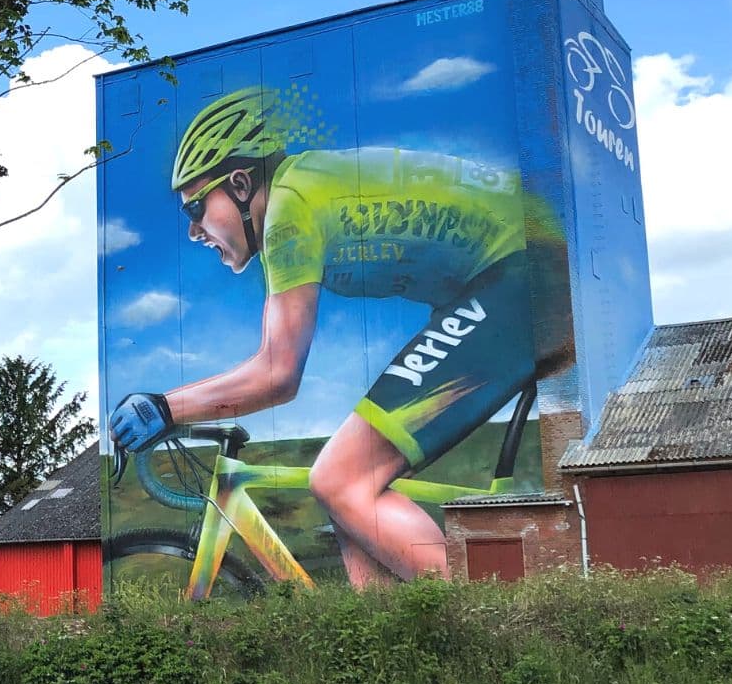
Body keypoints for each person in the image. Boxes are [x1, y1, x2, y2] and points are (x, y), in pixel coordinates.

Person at [108, 86, 571, 587]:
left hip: (525, 275)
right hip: (516, 269)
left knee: (339, 478)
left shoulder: (289, 212)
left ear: (241, 184)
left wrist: (166, 408)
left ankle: (488, 622)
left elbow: (277, 373)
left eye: (194, 209)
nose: (193, 231)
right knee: (351, 502)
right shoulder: (302, 189)